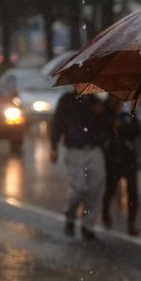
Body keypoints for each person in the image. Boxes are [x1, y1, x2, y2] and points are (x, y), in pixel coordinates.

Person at [50, 91, 109, 241]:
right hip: (74, 150)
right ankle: (70, 216)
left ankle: (87, 226)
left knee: (95, 189)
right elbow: (57, 122)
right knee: (79, 188)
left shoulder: (96, 101)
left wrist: (102, 113)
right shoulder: (67, 100)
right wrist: (54, 146)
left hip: (94, 149)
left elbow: (107, 126)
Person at [101, 97, 141, 236]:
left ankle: (131, 223)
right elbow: (103, 128)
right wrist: (112, 126)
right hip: (112, 160)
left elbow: (137, 130)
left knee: (133, 193)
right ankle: (105, 214)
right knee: (110, 189)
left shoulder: (129, 112)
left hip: (129, 159)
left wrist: (122, 128)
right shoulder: (106, 111)